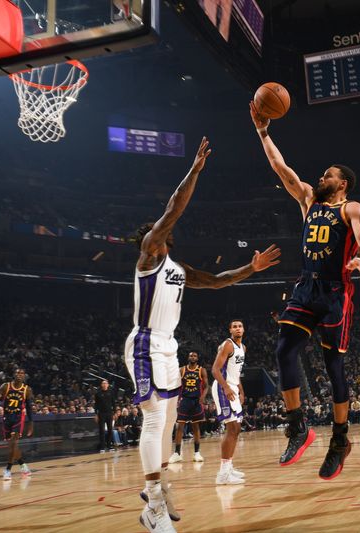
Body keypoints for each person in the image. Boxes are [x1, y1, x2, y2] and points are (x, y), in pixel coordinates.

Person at [127, 137, 280, 532]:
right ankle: (154, 503)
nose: (163, 233)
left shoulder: (178, 268)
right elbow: (173, 209)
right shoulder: (148, 253)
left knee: (168, 419)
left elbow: (216, 281)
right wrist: (194, 170)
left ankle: (158, 489)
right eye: (159, 231)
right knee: (154, 420)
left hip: (168, 346)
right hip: (145, 341)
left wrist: (251, 268)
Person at [250, 103, 360, 480]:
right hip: (306, 285)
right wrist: (263, 132)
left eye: (328, 175)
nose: (321, 178)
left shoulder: (351, 206)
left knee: (333, 366)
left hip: (336, 292)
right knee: (284, 348)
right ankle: (298, 427)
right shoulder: (308, 201)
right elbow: (281, 169)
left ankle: (340, 440)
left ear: (343, 183)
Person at [211, 320, 247, 485]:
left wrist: (241, 390)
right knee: (232, 427)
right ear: (230, 330)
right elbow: (215, 370)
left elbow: (236, 373)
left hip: (232, 386)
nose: (237, 328)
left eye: (240, 326)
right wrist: (226, 388)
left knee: (237, 428)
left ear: (243, 329)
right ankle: (223, 474)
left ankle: (228, 467)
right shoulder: (228, 345)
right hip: (222, 387)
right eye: (234, 326)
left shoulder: (243, 348)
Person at [0, 368, 34, 480]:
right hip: (7, 417)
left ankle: (7, 470)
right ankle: (23, 465)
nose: (19, 375)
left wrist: (31, 423)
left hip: (18, 418)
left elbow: (29, 408)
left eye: (22, 373)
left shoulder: (27, 389)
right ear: (14, 374)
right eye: (17, 373)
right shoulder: (5, 386)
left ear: (24, 376)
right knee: (12, 445)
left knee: (13, 443)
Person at [168, 351, 208, 463]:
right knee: (179, 426)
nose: (192, 357)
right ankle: (176, 453)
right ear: (188, 357)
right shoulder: (182, 370)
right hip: (185, 400)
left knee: (195, 427)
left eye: (195, 355)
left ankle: (197, 453)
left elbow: (206, 386)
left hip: (196, 401)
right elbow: (177, 385)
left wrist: (203, 397)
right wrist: (176, 399)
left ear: (197, 358)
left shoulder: (201, 370)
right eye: (191, 355)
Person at [94, 379, 115, 452]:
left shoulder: (111, 392)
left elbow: (114, 403)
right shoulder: (98, 393)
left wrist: (114, 413)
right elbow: (96, 405)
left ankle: (109, 446)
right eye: (103, 383)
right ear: (101, 385)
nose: (104, 384)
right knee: (102, 431)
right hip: (101, 414)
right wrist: (96, 414)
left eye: (106, 383)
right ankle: (102, 447)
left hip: (109, 413)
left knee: (110, 430)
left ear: (108, 385)